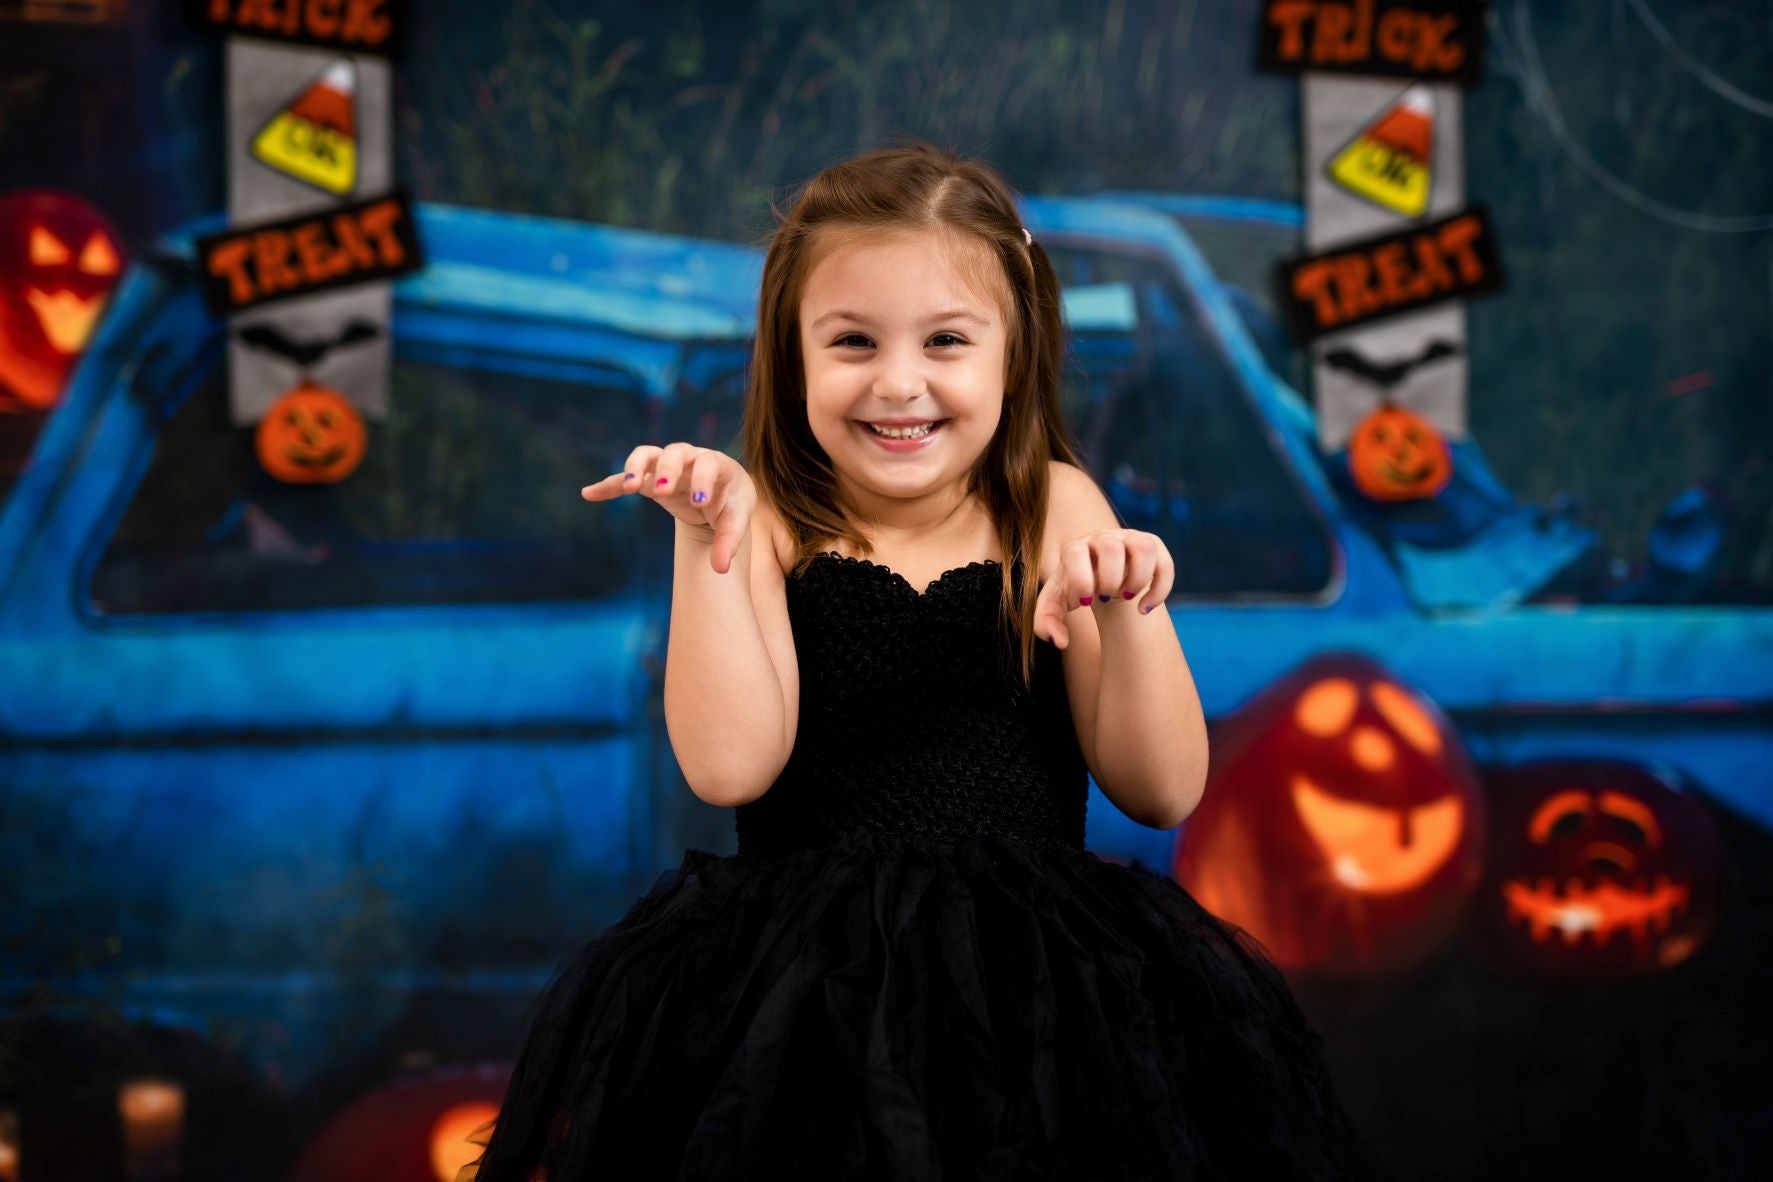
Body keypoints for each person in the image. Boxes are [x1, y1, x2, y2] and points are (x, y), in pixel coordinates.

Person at [457, 141, 1378, 1181]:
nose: (900, 384)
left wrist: (1130, 610)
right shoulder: (771, 526)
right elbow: (730, 768)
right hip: (803, 1008)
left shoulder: (1054, 508)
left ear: (1013, 353)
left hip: (1039, 1006)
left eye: (946, 340)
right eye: (852, 341)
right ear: (792, 354)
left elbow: (1161, 788)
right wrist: (701, 534)